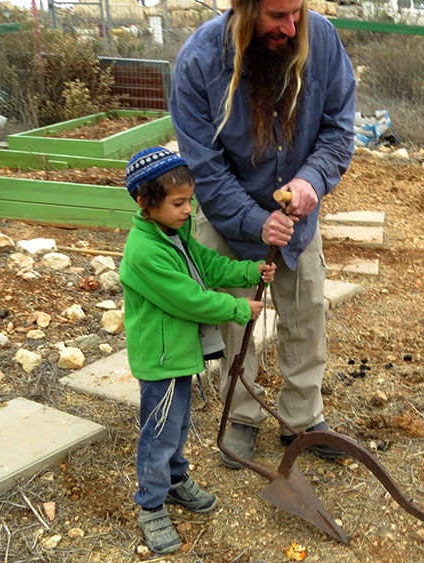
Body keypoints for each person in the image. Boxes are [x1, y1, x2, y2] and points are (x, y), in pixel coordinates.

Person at [170, 0, 356, 469]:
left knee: (307, 311)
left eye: (297, 12)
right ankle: (242, 415)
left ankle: (301, 418)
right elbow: (204, 170)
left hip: (296, 215)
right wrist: (255, 221)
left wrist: (312, 180)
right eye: (277, 16)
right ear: (242, 8)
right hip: (228, 212)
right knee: (236, 318)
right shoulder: (198, 61)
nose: (291, 27)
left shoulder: (323, 42)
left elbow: (338, 130)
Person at [120, 146, 276, 554]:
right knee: (158, 432)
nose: (188, 210)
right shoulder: (144, 251)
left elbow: (206, 265)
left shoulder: (174, 234)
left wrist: (249, 270)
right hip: (160, 360)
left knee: (178, 423)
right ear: (144, 202)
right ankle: (151, 506)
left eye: (190, 200)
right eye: (178, 203)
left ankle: (174, 481)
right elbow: (188, 298)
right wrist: (237, 308)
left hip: (178, 355)